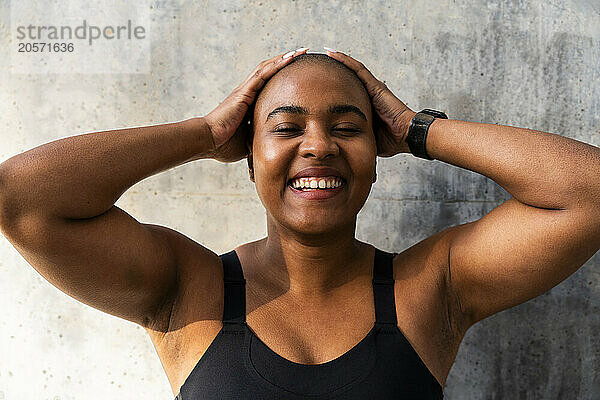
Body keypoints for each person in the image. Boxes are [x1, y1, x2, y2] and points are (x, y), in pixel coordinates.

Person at [0, 47, 598, 399]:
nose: (319, 146)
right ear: (247, 152)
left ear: (377, 149)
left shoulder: (431, 287)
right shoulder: (190, 288)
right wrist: (205, 133)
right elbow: (20, 199)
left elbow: (590, 194)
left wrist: (417, 127)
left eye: (346, 127)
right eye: (286, 128)